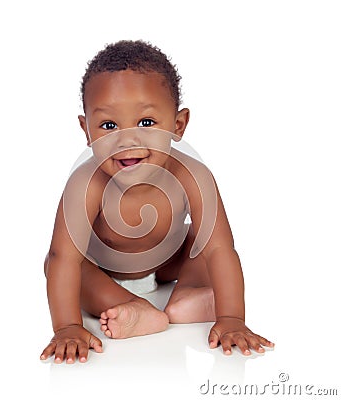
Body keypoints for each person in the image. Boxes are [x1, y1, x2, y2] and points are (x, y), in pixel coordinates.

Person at [40, 40, 274, 364]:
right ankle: (134, 307)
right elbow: (63, 256)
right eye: (108, 126)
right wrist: (67, 326)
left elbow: (221, 249)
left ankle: (188, 296)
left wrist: (233, 318)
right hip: (105, 273)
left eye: (146, 123)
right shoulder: (85, 183)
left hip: (167, 266)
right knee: (58, 265)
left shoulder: (193, 176)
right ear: (87, 131)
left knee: (200, 240)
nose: (128, 140)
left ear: (178, 125)